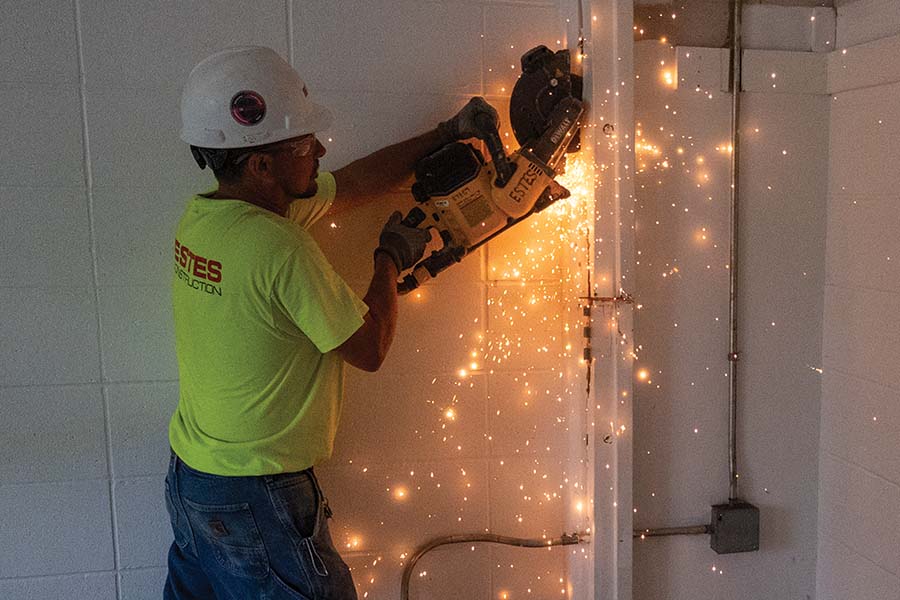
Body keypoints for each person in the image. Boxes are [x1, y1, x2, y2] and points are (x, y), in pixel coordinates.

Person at [164, 46, 498, 600]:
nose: (319, 149)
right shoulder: (278, 245)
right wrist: (390, 256)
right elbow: (367, 348)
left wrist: (446, 132)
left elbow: (351, 183)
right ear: (260, 163)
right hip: (257, 496)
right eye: (303, 143)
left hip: (194, 481)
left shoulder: (207, 218)